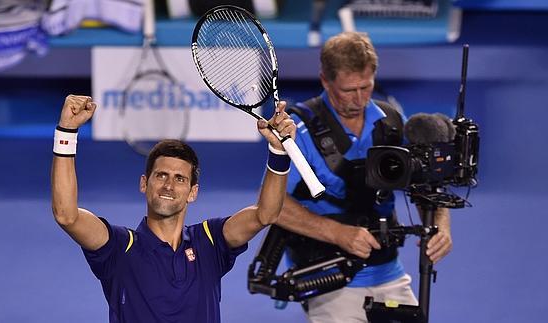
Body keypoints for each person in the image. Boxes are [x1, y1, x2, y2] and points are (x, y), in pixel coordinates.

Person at [51, 94, 296, 323]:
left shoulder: (211, 240)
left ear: (192, 192)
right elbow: (66, 215)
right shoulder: (118, 246)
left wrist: (278, 151)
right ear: (144, 184)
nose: (169, 185)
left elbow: (266, 214)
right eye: (161, 176)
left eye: (180, 179)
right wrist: (66, 132)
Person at [275, 32, 452, 322]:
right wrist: (337, 233)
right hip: (329, 278)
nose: (359, 99)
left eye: (366, 86)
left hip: (389, 272)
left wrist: (440, 225)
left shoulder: (392, 120)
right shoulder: (297, 128)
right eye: (348, 90)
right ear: (325, 81)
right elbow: (273, 204)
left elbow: (425, 183)